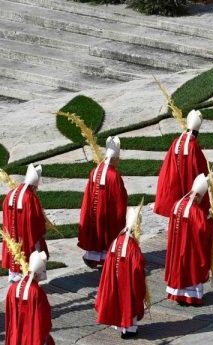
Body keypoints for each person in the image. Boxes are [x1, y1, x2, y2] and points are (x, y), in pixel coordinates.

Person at [95, 207, 147, 339]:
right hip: (128, 282)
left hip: (115, 279)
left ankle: (123, 327)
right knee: (129, 300)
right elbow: (137, 268)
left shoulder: (117, 240)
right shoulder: (132, 246)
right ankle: (129, 329)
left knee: (119, 300)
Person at [165, 173, 213, 306]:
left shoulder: (177, 204)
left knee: (179, 269)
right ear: (197, 195)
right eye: (200, 199)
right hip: (190, 248)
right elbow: (203, 230)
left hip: (177, 245)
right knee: (192, 269)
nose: (199, 202)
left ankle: (178, 295)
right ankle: (191, 298)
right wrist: (210, 220)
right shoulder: (195, 211)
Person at [79, 136, 128, 269]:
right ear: (115, 159)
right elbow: (120, 198)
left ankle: (93, 258)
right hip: (107, 213)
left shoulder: (95, 171)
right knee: (107, 236)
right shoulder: (114, 175)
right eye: (119, 159)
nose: (119, 161)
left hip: (94, 212)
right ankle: (107, 260)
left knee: (96, 234)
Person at [154, 110, 209, 217]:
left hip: (175, 179)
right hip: (188, 180)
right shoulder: (193, 146)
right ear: (196, 132)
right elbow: (200, 169)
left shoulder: (176, 142)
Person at [2, 164, 48, 283]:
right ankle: (30, 282)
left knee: (14, 252)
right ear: (33, 186)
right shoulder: (31, 197)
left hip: (12, 234)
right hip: (27, 236)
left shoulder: (10, 194)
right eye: (36, 188)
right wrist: (43, 227)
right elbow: (37, 220)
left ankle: (15, 278)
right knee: (31, 254)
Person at [5, 251, 54, 345]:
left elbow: (9, 312)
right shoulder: (36, 291)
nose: (41, 278)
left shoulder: (13, 287)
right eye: (40, 275)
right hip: (31, 333)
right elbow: (43, 315)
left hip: (16, 330)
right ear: (36, 274)